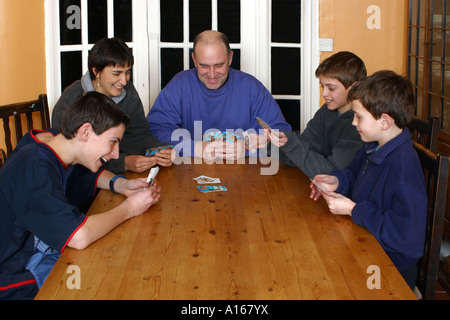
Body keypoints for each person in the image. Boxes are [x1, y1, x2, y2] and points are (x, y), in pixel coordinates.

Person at [0, 92, 161, 300]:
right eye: (112, 142)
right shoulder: (35, 167)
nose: (115, 153)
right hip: (13, 276)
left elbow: (82, 176)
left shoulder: (55, 143)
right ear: (85, 131)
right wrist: (130, 208)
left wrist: (121, 184)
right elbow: (79, 236)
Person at [310, 70, 427, 289]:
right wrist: (338, 181)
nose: (354, 123)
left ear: (384, 121)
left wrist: (354, 210)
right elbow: (354, 173)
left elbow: (408, 241)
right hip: (367, 242)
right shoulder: (374, 146)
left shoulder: (403, 170)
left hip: (390, 267)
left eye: (359, 116)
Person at [147, 30, 292, 160]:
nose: (211, 75)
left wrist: (251, 147)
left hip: (247, 173)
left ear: (230, 58)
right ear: (194, 60)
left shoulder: (252, 87)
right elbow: (154, 130)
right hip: (189, 171)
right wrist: (195, 148)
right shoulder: (179, 85)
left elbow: (281, 133)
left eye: (218, 65)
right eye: (204, 66)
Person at [52, 37, 173, 174]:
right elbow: (67, 153)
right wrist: (123, 163)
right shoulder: (72, 97)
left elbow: (138, 134)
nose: (124, 81)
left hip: (118, 177)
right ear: (96, 71)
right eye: (117, 73)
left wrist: (158, 150)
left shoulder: (129, 92)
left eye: (127, 72)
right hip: (82, 180)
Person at [266, 51, 365, 178]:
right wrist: (271, 143)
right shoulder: (326, 111)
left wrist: (292, 144)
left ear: (354, 88)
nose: (324, 93)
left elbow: (331, 173)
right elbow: (299, 156)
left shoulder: (360, 125)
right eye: (322, 86)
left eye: (331, 88)